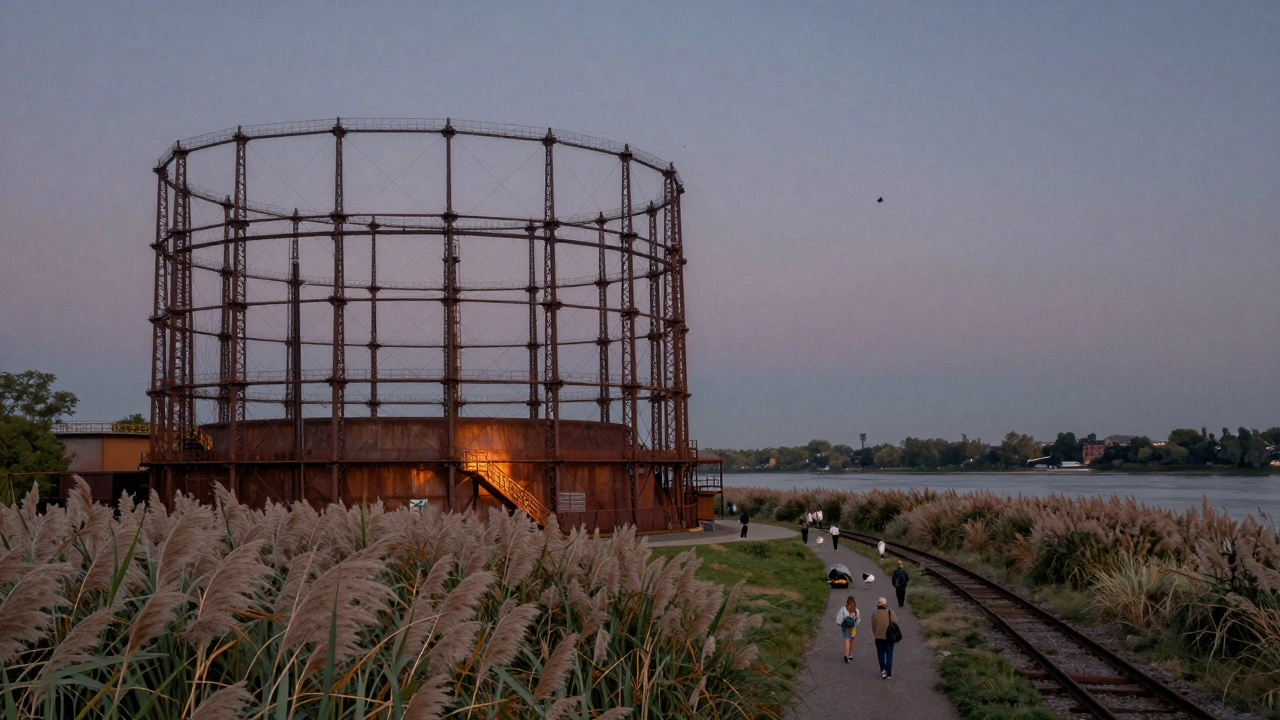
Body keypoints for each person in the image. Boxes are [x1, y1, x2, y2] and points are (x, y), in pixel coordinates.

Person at [871, 597, 898, 679]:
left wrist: (876, 634)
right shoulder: (891, 613)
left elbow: (873, 626)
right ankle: (889, 673)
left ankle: (883, 670)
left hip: (879, 638)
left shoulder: (875, 614)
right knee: (889, 655)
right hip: (889, 638)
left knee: (880, 655)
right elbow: (895, 622)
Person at [835, 596, 860, 663]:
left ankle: (846, 654)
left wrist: (839, 623)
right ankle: (850, 655)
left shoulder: (843, 609)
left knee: (847, 640)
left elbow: (839, 617)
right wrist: (855, 624)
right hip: (853, 628)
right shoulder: (856, 610)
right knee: (851, 641)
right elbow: (858, 620)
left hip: (845, 627)